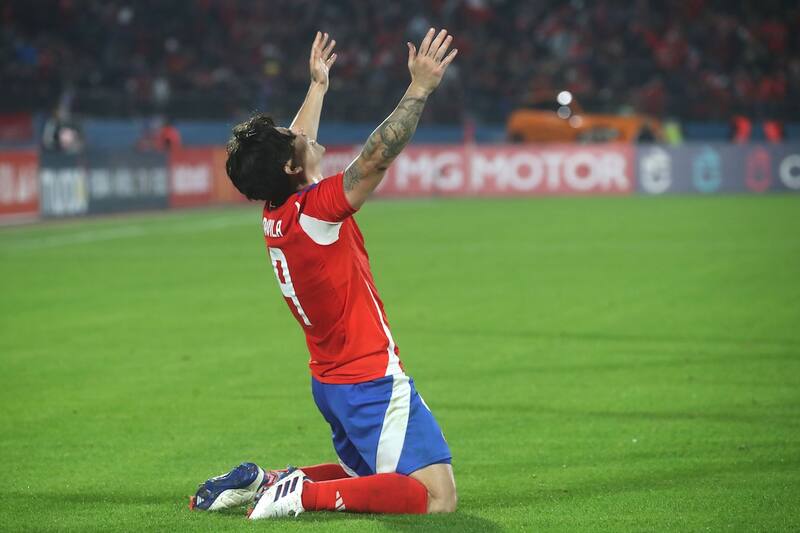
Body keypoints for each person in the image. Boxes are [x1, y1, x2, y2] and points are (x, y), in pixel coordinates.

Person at [190, 28, 458, 519]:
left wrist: (317, 86)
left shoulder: (277, 211)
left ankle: (268, 481)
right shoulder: (316, 211)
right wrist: (419, 88)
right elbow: (375, 157)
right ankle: (299, 495)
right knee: (436, 497)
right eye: (293, 138)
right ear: (291, 168)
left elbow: (294, 148)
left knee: (367, 480)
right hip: (368, 378)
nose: (302, 133)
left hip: (331, 381)